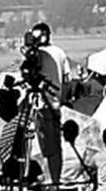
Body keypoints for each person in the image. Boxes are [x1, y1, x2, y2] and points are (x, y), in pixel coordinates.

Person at [30, 22, 71, 187]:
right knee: (55, 147)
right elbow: (67, 80)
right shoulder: (59, 53)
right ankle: (55, 179)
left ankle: (50, 180)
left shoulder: (42, 53)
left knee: (46, 147)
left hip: (43, 105)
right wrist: (63, 99)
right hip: (53, 104)